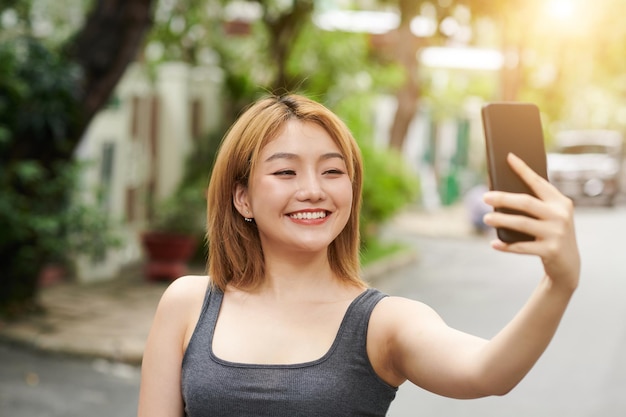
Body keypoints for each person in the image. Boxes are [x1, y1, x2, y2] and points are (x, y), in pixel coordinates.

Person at [137, 94, 580, 417]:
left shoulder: (383, 323)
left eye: (332, 171)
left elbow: (487, 373)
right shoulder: (188, 304)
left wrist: (558, 284)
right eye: (285, 171)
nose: (313, 189)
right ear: (242, 199)